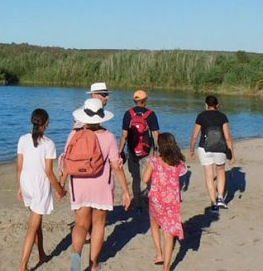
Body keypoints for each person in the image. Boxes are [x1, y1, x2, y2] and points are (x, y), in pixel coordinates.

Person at [59, 98, 131, 271]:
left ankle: (76, 256)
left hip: (79, 185)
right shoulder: (109, 137)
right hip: (102, 186)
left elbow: (66, 163)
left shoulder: (74, 134)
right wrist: (126, 191)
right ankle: (93, 265)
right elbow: (116, 166)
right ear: (101, 118)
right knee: (98, 224)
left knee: (81, 225)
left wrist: (61, 185)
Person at [16, 108, 66, 271]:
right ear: (46, 123)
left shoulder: (23, 139)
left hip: (26, 182)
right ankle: (23, 265)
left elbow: (19, 167)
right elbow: (49, 172)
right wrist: (59, 189)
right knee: (33, 226)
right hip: (39, 186)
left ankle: (42, 254)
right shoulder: (49, 144)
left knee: (36, 222)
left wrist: (20, 187)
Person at [142, 133, 188, 271]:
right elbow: (181, 174)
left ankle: (159, 253)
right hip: (172, 201)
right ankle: (167, 267)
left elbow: (145, 179)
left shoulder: (154, 161)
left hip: (156, 199)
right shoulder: (179, 164)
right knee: (169, 234)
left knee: (154, 223)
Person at [188, 95, 234, 211]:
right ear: (217, 105)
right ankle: (220, 199)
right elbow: (228, 137)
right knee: (220, 171)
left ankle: (213, 203)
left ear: (206, 105)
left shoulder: (201, 116)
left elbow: (194, 136)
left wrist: (192, 150)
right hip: (220, 148)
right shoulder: (222, 116)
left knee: (209, 174)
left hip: (204, 148)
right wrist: (231, 154)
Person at [118, 90, 160, 207]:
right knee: (149, 176)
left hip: (132, 150)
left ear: (134, 101)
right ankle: (151, 200)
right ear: (145, 101)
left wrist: (120, 150)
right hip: (147, 150)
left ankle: (137, 203)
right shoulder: (150, 114)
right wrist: (159, 149)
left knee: (135, 177)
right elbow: (156, 134)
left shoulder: (128, 114)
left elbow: (124, 135)